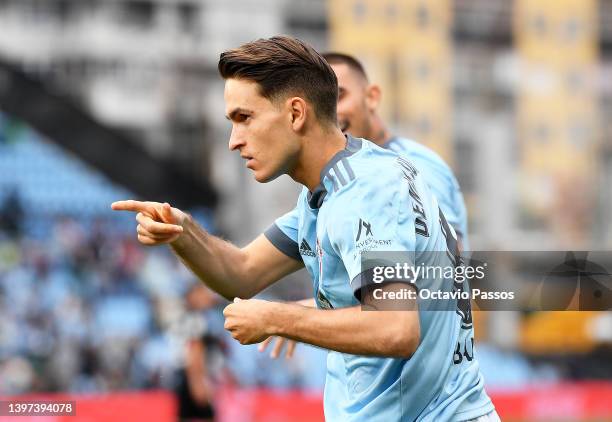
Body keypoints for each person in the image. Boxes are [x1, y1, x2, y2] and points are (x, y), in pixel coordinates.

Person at [112, 36, 497, 421]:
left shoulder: (369, 191)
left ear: (296, 113)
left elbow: (395, 327)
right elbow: (243, 273)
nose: (234, 141)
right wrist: (184, 232)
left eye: (244, 118)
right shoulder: (327, 191)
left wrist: (277, 319)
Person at [259, 52, 471, 359]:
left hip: (426, 381)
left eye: (339, 97)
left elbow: (443, 272)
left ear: (372, 97)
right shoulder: (335, 186)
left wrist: (299, 316)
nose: (329, 112)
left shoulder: (410, 167)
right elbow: (243, 268)